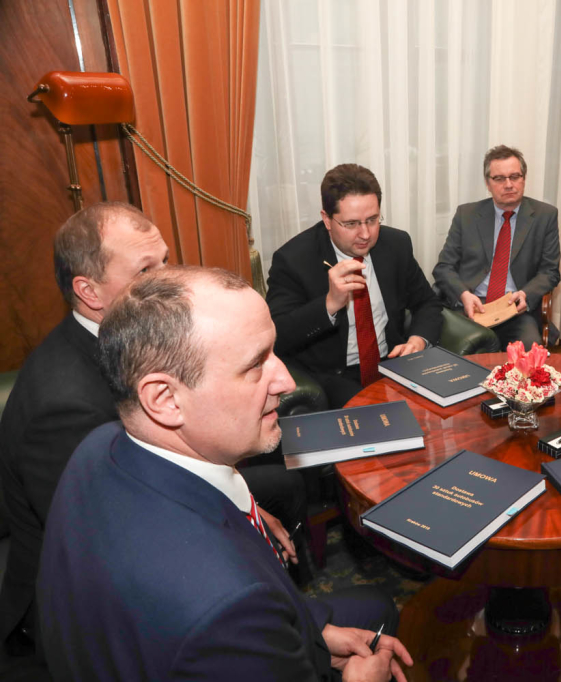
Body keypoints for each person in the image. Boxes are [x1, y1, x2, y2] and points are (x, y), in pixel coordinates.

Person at [38, 266, 413, 681]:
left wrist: (316, 633)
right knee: (382, 607)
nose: (286, 381)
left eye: (273, 353)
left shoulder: (96, 448)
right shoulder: (226, 607)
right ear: (164, 399)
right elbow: (229, 613)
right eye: (255, 364)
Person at [0, 203, 305, 660]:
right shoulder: (64, 407)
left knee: (287, 481)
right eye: (145, 270)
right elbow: (109, 539)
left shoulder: (129, 344)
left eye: (166, 260)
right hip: (91, 612)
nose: (166, 279)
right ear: (89, 291)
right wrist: (245, 528)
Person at [267, 164, 442, 409]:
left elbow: (427, 303)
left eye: (372, 220)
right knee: (378, 419)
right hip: (335, 375)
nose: (365, 234)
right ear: (327, 219)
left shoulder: (396, 244)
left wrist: (418, 341)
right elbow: (277, 336)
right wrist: (329, 304)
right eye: (351, 224)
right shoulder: (294, 259)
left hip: (392, 362)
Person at [432, 145, 561, 348]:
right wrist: (464, 295)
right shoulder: (467, 215)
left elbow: (550, 271)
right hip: (472, 306)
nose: (508, 184)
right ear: (488, 183)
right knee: (460, 351)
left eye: (515, 176)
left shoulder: (545, 216)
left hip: (515, 309)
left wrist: (526, 294)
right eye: (499, 178)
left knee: (528, 352)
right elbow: (443, 267)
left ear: (524, 178)